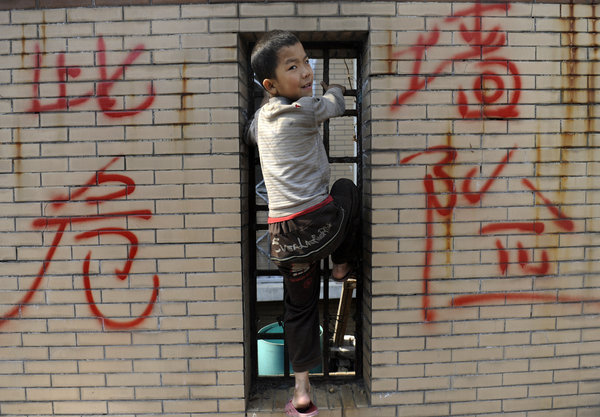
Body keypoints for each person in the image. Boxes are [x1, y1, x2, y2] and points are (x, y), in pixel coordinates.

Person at [246, 30, 360, 417]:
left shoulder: (262, 119)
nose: (306, 70)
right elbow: (335, 106)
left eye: (306, 61)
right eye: (292, 66)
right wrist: (338, 86)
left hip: (284, 240)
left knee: (300, 310)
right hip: (321, 227)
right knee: (346, 188)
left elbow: (249, 134)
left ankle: (301, 392)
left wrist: (269, 101)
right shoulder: (306, 108)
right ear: (272, 83)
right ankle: (343, 263)